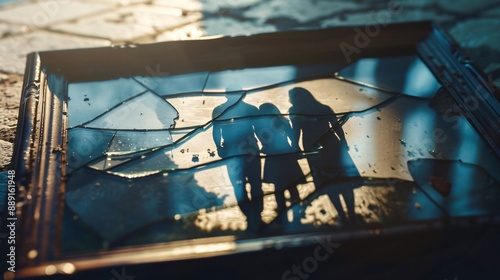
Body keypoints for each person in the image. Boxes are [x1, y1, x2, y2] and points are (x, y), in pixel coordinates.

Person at [288, 87, 360, 224]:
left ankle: (342, 216)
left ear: (297, 98)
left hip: (313, 149)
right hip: (333, 145)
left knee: (326, 182)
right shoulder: (324, 108)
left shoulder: (294, 111)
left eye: (290, 97)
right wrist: (343, 143)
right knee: (343, 180)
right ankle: (351, 214)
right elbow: (336, 127)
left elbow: (295, 133)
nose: (289, 100)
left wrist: (295, 148)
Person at [212, 88, 263, 229]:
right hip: (247, 148)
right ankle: (255, 215)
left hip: (234, 150)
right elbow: (259, 130)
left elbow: (216, 131)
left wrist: (219, 147)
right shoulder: (250, 109)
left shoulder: (220, 109)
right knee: (253, 183)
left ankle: (252, 215)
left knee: (240, 185)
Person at [256, 103, 304, 225]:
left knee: (279, 187)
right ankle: (296, 213)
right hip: (286, 154)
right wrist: (295, 147)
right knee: (291, 185)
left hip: (274, 156)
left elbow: (264, 140)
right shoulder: (282, 121)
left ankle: (283, 215)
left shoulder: (261, 125)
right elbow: (292, 136)